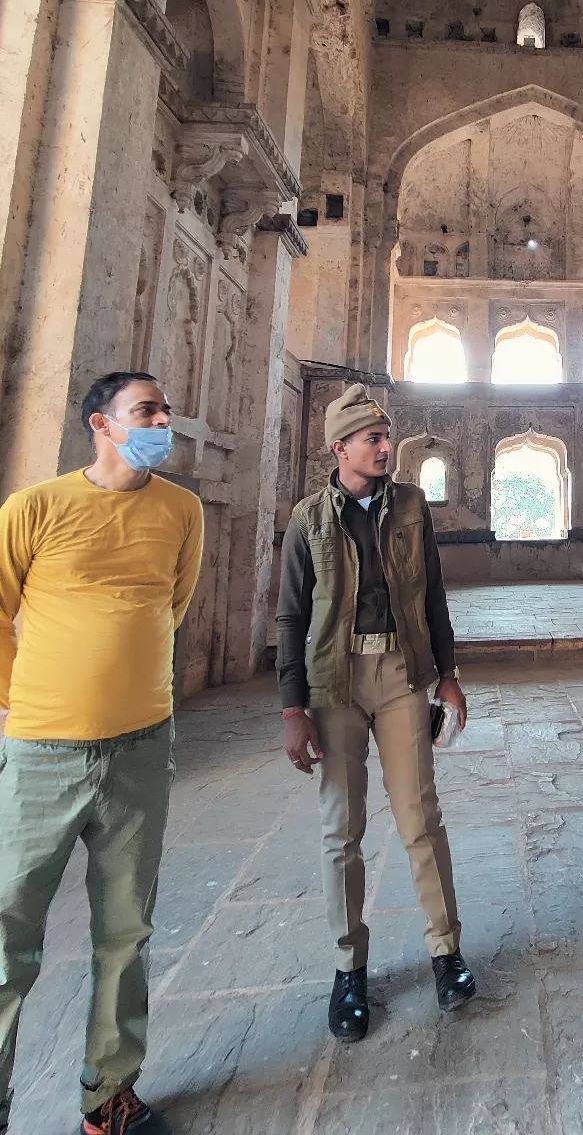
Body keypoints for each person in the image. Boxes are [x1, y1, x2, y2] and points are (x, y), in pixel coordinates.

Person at [0, 373, 204, 1135]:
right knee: (7, 932)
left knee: (126, 930)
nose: (162, 420)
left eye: (165, 409)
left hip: (142, 745)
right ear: (101, 423)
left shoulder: (181, 510)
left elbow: (172, 605)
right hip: (41, 749)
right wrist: (21, 701)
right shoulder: (37, 507)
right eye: (146, 410)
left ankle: (107, 1094)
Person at [276, 384, 474, 1041]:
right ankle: (348, 968)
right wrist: (291, 709)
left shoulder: (413, 506)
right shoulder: (309, 518)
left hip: (399, 676)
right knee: (343, 830)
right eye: (372, 439)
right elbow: (291, 617)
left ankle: (445, 951)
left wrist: (448, 677)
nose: (385, 447)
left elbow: (435, 597)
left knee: (421, 817)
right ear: (340, 448)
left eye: (387, 437)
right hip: (333, 682)